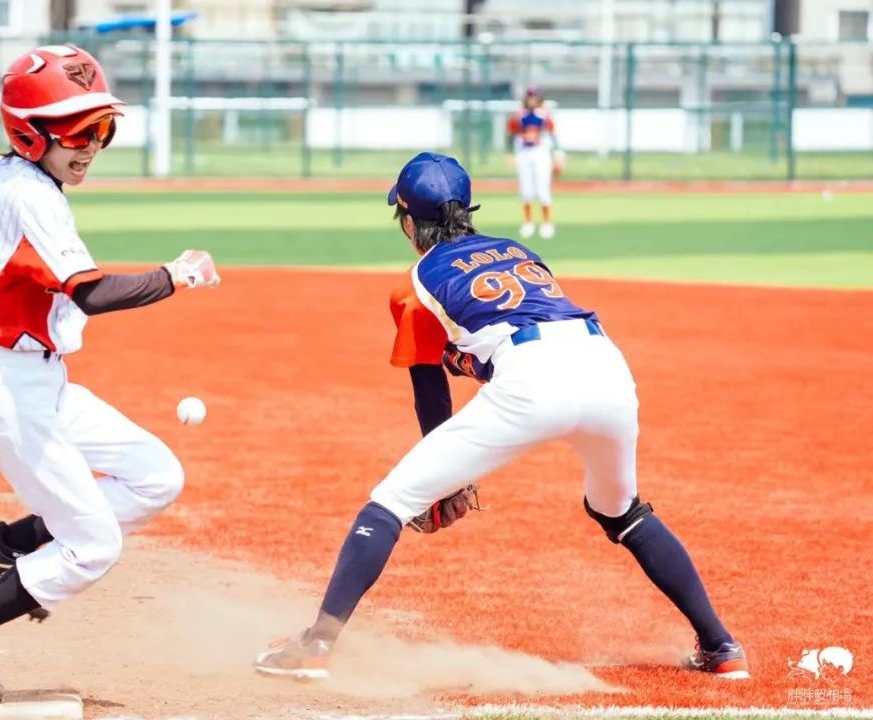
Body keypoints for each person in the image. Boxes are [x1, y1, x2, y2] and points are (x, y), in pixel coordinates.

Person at [253, 152, 748, 682]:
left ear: (406, 219)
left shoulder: (415, 284)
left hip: (531, 380)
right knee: (621, 509)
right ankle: (721, 647)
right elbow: (515, 325)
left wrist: (448, 483)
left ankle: (317, 643)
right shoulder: (517, 250)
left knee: (391, 501)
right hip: (608, 368)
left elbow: (430, 391)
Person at [0, 45, 221, 704]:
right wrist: (178, 275)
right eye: (79, 131)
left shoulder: (5, 175)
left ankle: (12, 542)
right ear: (29, 131)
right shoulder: (35, 199)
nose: (93, 145)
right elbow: (92, 294)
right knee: (94, 546)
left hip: (42, 385)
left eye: (103, 129)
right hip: (11, 396)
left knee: (156, 475)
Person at [506, 85, 565, 240]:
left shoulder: (545, 115)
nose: (532, 99)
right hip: (524, 153)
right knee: (526, 190)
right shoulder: (519, 115)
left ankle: (546, 223)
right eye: (530, 96)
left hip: (541, 153)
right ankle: (528, 223)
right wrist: (510, 154)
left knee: (543, 189)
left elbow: (553, 135)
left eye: (535, 96)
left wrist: (558, 155)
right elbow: (512, 134)